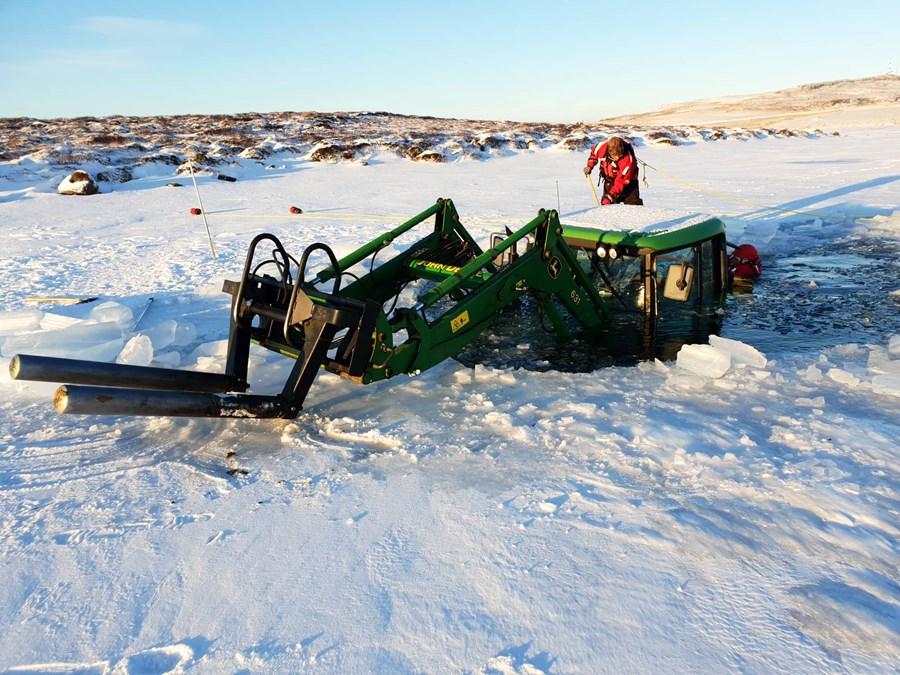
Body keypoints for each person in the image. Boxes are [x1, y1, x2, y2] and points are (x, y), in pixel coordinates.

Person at [583, 136, 643, 205]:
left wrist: (610, 197)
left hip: (629, 182)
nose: (617, 158)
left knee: (633, 207)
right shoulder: (601, 147)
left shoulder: (628, 160)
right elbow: (594, 154)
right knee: (606, 206)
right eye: (614, 156)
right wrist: (590, 166)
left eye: (619, 155)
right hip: (610, 180)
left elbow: (621, 181)